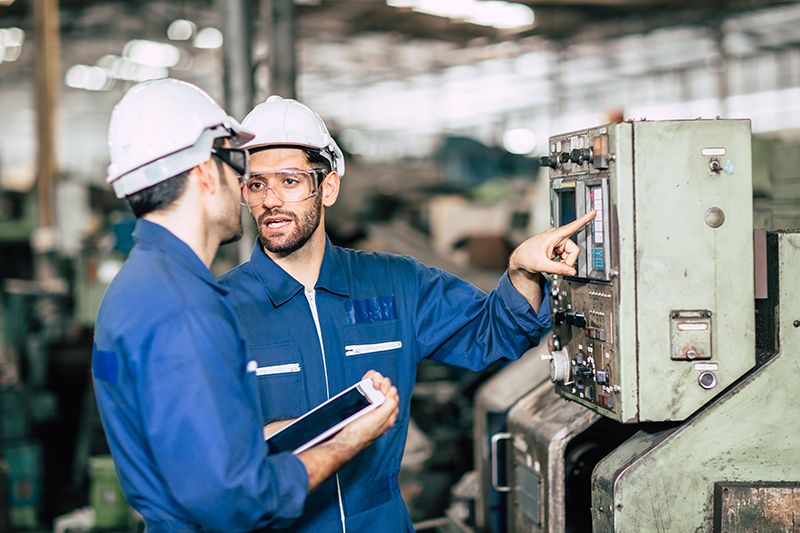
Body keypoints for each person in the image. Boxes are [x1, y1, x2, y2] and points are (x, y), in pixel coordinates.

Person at [217, 95, 595, 532]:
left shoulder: (395, 283)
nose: (271, 200)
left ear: (329, 187)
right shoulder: (220, 309)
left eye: (291, 180)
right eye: (257, 184)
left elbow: (496, 331)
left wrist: (521, 271)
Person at [92, 80, 399, 532]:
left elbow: (187, 446)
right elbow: (234, 500)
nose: (245, 186)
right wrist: (349, 439)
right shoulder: (186, 309)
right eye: (234, 164)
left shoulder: (133, 291)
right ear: (202, 173)